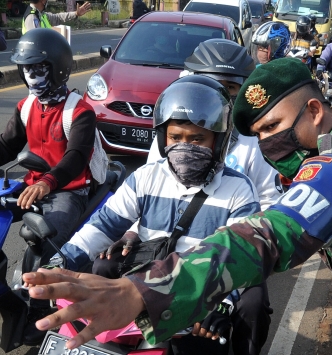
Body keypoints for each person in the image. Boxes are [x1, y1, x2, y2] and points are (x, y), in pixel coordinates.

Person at [24, 57, 332, 355]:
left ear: (315, 111)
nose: (268, 145)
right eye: (258, 135)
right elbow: (106, 223)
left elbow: (267, 235)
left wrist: (140, 294)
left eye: (273, 127)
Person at [52, 75, 272, 355]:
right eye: (176, 138)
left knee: (252, 300)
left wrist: (223, 302)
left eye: (197, 139)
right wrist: (59, 263)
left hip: (205, 281)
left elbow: (239, 255)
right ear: (162, 138)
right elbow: (104, 225)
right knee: (102, 265)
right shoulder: (145, 177)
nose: (185, 147)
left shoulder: (239, 189)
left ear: (219, 142)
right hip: (149, 275)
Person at [3, 28, 98, 346]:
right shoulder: (27, 107)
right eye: (25, 69)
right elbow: (6, 145)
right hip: (32, 184)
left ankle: (37, 310)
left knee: (44, 238)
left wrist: (47, 182)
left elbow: (75, 158)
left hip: (69, 189)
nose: (30, 76)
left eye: (37, 69)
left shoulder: (79, 112)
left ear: (57, 69)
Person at [147, 38, 282, 210]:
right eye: (210, 85)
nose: (220, 95)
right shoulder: (173, 135)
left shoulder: (255, 142)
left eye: (230, 87)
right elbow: (149, 185)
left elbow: (267, 201)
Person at [22, 0, 92, 34]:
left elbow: (58, 17)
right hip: (37, 60)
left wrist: (76, 13)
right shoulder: (32, 17)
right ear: (42, 1)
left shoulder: (41, 14)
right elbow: (36, 40)